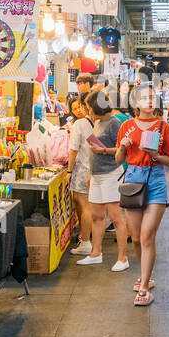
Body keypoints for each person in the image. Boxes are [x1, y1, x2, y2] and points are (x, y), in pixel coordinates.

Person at [115, 83, 169, 305]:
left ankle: (143, 288)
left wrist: (155, 154)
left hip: (156, 179)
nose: (149, 101)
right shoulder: (127, 126)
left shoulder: (163, 126)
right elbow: (118, 160)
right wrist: (122, 148)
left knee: (147, 235)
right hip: (132, 178)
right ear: (135, 102)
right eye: (144, 97)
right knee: (136, 238)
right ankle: (146, 276)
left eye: (152, 97)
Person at [76, 88, 131, 271]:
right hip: (98, 175)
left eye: (89, 107)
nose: (87, 111)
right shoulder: (98, 122)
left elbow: (124, 149)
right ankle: (95, 253)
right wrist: (92, 173)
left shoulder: (114, 123)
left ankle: (123, 258)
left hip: (110, 175)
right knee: (96, 215)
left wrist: (104, 151)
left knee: (116, 218)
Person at [67, 95, 94, 255]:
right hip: (92, 168)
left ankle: (85, 242)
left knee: (85, 207)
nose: (78, 110)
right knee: (85, 204)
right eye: (74, 108)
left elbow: (73, 149)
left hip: (83, 169)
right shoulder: (93, 121)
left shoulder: (80, 124)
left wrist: (69, 171)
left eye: (80, 106)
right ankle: (86, 239)